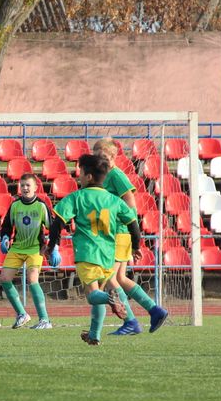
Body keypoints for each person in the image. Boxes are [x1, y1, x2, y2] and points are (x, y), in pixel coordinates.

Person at [46, 151, 168, 346]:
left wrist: (52, 246)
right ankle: (94, 335)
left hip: (87, 254)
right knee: (101, 291)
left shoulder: (77, 197)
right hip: (108, 256)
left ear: (88, 176)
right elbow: (133, 223)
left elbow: (57, 222)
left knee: (93, 296)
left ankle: (112, 299)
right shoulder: (114, 201)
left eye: (80, 173)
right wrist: (136, 246)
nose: (78, 176)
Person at [93, 138, 165, 336]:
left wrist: (128, 225)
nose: (100, 158)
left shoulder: (116, 175)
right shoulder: (102, 175)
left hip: (119, 233)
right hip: (112, 233)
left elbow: (130, 201)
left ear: (113, 157)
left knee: (110, 280)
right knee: (120, 278)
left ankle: (130, 320)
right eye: (97, 155)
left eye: (104, 156)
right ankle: (154, 310)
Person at [0, 173, 52, 329]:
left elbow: (53, 227)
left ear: (36, 187)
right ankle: (22, 314)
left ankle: (44, 320)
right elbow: (6, 226)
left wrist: (54, 248)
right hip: (17, 248)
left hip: (35, 248)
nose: (25, 188)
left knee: (32, 279)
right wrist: (5, 238)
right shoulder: (15, 205)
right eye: (22, 185)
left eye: (28, 185)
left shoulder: (41, 206)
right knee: (5, 279)